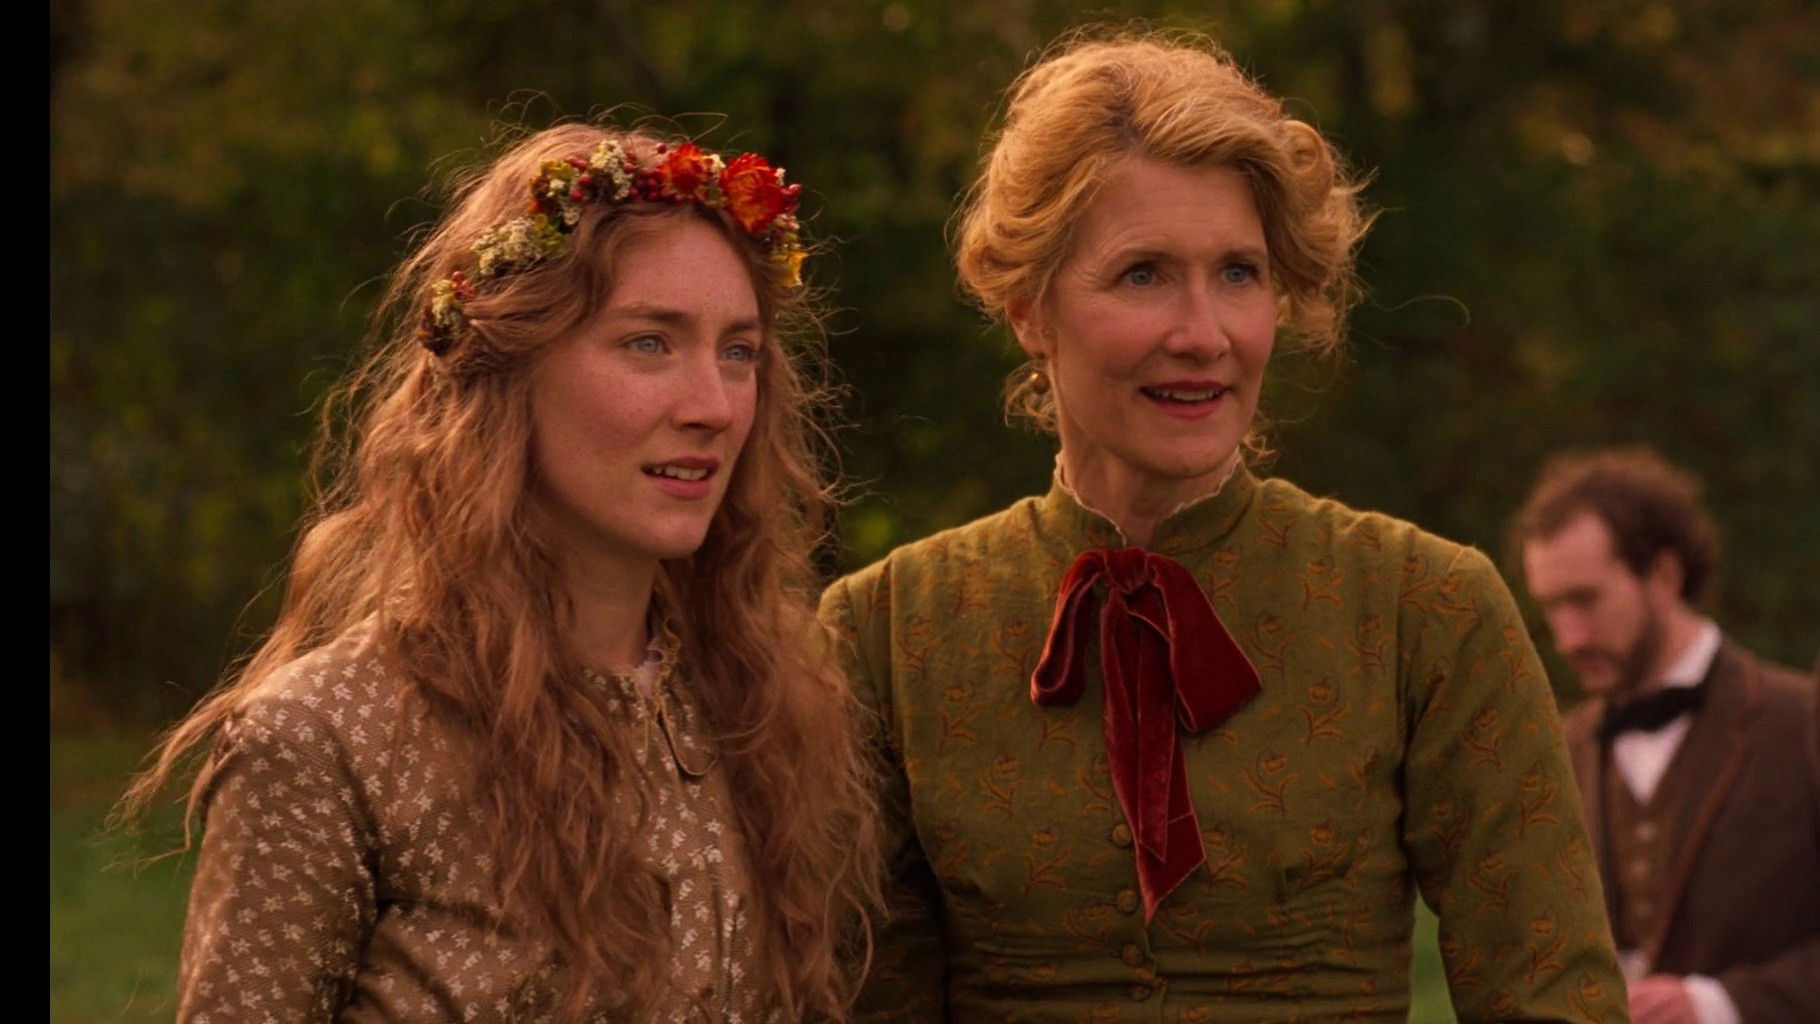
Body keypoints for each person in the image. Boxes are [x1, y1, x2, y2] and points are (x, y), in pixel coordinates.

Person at [818, 28, 1625, 1022]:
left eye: (1239, 273)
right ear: (1028, 308)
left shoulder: (1422, 606)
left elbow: (1552, 996)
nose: (1203, 335)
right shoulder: (885, 631)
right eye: (1143, 274)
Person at [123, 122, 879, 1021]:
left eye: (738, 351)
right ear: (510, 367)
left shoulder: (758, 708)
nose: (714, 405)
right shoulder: (328, 740)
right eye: (649, 342)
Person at [1513, 447, 1819, 1024]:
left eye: (1585, 600)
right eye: (1551, 608)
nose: (1567, 638)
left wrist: (1719, 1004)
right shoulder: (1556, 750)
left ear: (1664, 575)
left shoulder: (1800, 720)